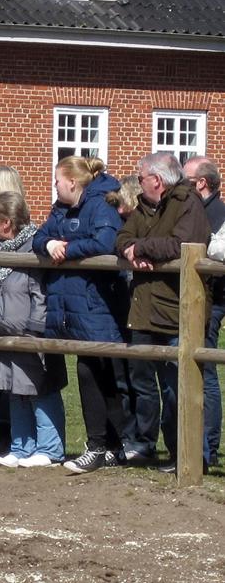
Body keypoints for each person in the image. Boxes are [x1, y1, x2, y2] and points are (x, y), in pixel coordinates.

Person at [34, 156, 126, 475]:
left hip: (95, 304)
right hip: (70, 305)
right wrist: (48, 245)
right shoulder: (59, 208)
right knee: (92, 371)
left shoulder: (101, 206)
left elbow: (105, 242)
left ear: (72, 182)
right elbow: (39, 236)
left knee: (93, 372)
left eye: (57, 181)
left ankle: (100, 445)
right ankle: (113, 445)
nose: (54, 186)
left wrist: (67, 250)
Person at [118, 152, 210, 470]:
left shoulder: (188, 203)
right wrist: (131, 249)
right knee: (142, 382)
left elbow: (181, 245)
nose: (138, 182)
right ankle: (144, 444)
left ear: (156, 180)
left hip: (175, 309)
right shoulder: (144, 206)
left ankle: (183, 452)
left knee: (176, 386)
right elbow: (123, 237)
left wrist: (142, 248)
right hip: (143, 306)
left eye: (141, 177)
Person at [0, 192, 66, 468]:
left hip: (29, 334)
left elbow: (39, 293)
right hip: (1, 335)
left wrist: (34, 330)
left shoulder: (32, 249)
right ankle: (21, 446)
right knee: (14, 390)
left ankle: (50, 448)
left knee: (39, 389)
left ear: (5, 222)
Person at [185, 156, 225, 465]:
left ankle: (206, 448)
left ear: (201, 183)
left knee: (205, 369)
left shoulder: (217, 214)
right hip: (205, 296)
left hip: (213, 297)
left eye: (185, 181)